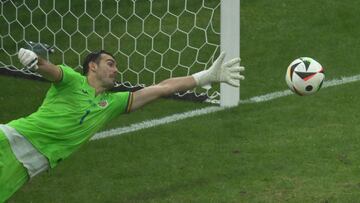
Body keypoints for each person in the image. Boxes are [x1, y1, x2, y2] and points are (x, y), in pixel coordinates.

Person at [0, 48, 245, 201]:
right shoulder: (72, 81)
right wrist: (35, 60)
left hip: (28, 166)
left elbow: (162, 88)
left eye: (116, 66)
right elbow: (50, 70)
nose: (116, 70)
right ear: (92, 66)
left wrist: (203, 77)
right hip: (9, 139)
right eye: (110, 63)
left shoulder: (114, 103)